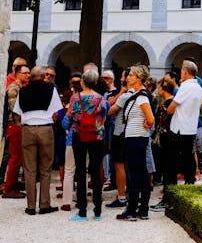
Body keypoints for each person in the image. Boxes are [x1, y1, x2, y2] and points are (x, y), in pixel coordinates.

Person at [13, 65, 62, 215]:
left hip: (28, 129)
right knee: (46, 168)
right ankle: (44, 204)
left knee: (29, 169)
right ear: (42, 76)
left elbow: (17, 113)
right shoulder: (51, 89)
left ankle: (30, 206)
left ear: (31, 76)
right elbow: (56, 112)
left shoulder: (23, 91)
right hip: (45, 129)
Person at [63, 68, 108, 222]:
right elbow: (104, 118)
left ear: (82, 82)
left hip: (79, 136)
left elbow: (69, 118)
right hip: (97, 137)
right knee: (95, 172)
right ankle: (97, 211)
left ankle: (82, 211)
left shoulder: (75, 98)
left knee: (80, 172)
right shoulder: (102, 99)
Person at [116, 64, 155, 221]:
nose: (127, 77)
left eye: (131, 75)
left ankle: (132, 209)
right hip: (137, 137)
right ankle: (142, 209)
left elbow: (150, 119)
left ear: (139, 78)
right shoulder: (139, 95)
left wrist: (147, 123)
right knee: (142, 173)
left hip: (136, 137)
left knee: (135, 173)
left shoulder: (141, 97)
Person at [166, 61, 202, 185]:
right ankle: (189, 186)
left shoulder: (186, 86)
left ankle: (170, 192)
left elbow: (171, 109)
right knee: (188, 160)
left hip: (179, 129)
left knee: (171, 162)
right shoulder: (198, 87)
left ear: (185, 72)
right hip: (191, 128)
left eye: (181, 70)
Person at [106, 69, 134, 209]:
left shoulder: (124, 96)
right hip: (131, 133)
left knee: (119, 165)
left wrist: (120, 93)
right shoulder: (138, 94)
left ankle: (121, 196)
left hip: (119, 132)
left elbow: (109, 111)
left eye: (123, 75)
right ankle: (132, 194)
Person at [2, 63, 30, 198]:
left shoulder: (21, 87)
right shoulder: (13, 88)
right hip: (15, 126)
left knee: (17, 158)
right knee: (15, 158)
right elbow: (15, 109)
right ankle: (8, 189)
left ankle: (12, 185)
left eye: (29, 73)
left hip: (19, 125)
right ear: (18, 74)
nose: (28, 75)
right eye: (25, 73)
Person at [150, 75, 177, 211]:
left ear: (164, 88)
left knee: (168, 169)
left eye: (159, 87)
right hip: (167, 139)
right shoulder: (167, 102)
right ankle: (168, 198)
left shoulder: (168, 103)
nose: (157, 90)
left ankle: (168, 199)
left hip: (167, 140)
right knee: (167, 169)